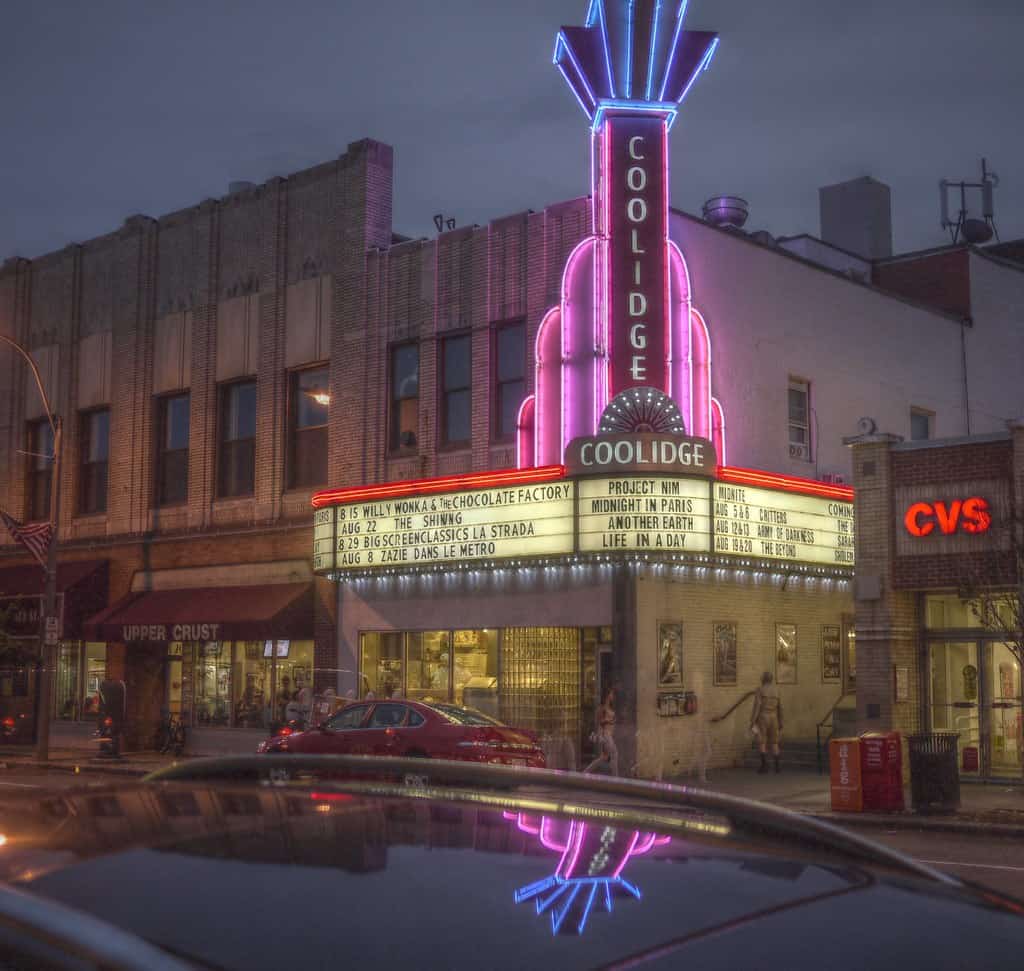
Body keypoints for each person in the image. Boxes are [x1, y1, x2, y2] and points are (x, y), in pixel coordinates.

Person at [750, 671, 783, 774]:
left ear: (763, 679)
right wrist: (781, 721)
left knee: (762, 741)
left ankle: (764, 766)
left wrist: (753, 720)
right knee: (775, 742)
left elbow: (757, 706)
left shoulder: (760, 690)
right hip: (774, 717)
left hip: (763, 717)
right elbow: (780, 707)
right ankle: (777, 767)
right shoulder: (777, 690)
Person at [584, 687, 619, 775]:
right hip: (605, 734)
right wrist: (608, 721)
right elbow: (599, 722)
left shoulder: (610, 706)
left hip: (609, 734)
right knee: (614, 754)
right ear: (607, 695)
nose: (612, 696)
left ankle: (585, 772)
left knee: (604, 757)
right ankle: (616, 778)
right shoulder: (602, 708)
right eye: (611, 694)